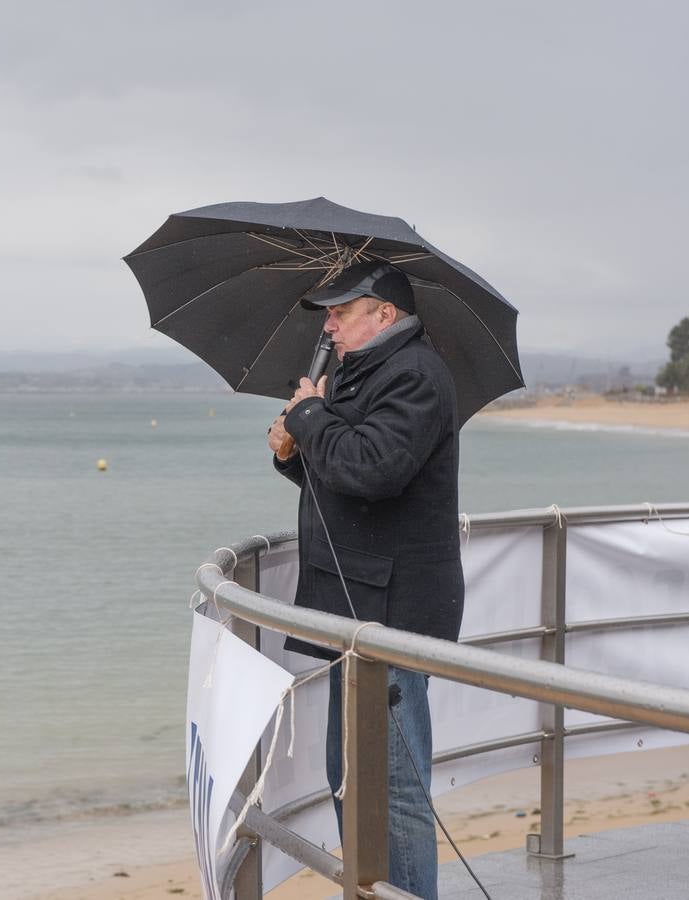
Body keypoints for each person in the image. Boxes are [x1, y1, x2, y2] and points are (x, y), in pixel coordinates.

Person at [266, 260, 463, 899]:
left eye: (341, 311)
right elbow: (345, 481)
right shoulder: (361, 373)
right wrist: (294, 449)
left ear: (384, 314)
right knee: (348, 775)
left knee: (392, 788)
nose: (329, 324)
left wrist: (307, 418)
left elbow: (376, 469)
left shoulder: (416, 375)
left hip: (393, 612)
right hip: (353, 608)